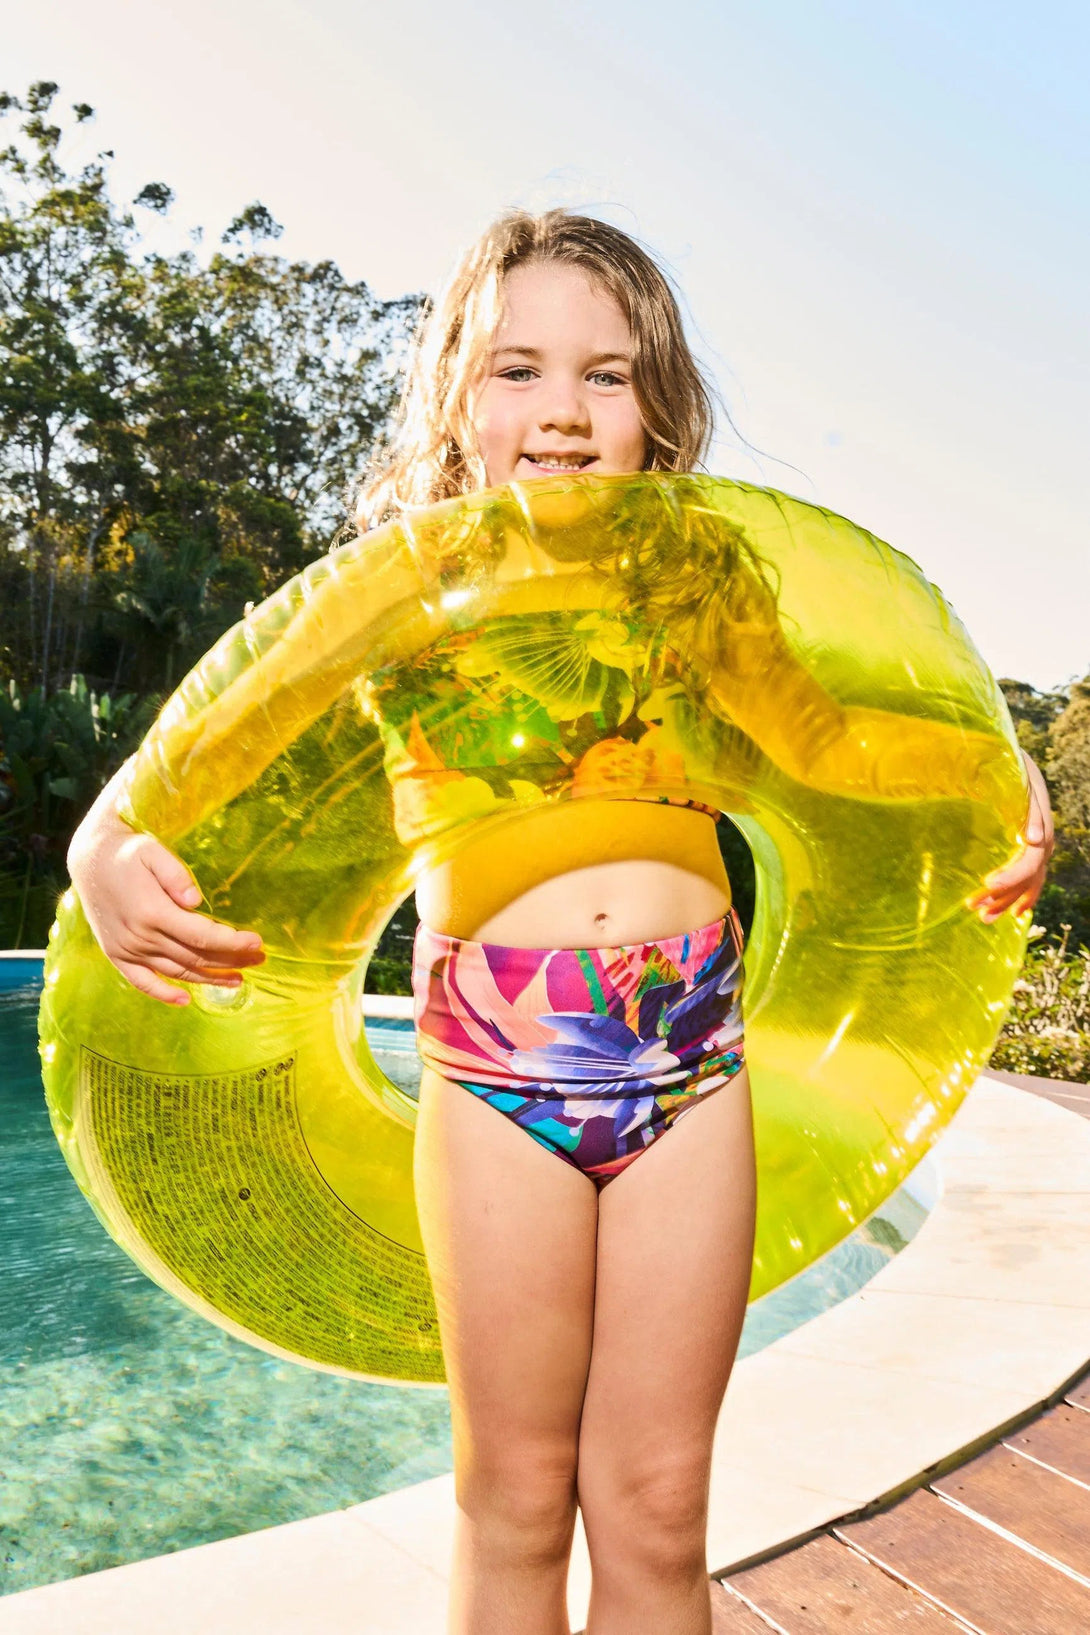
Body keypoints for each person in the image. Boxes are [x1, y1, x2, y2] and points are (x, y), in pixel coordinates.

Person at [68, 211, 1054, 1635]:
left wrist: (991, 760)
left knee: (657, 1503)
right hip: (494, 1061)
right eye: (518, 369)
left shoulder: (698, 582)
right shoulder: (401, 586)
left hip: (689, 1045)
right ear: (456, 399)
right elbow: (200, 749)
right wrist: (101, 841)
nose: (565, 413)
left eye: (608, 375)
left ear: (659, 411)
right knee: (516, 1498)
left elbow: (829, 744)